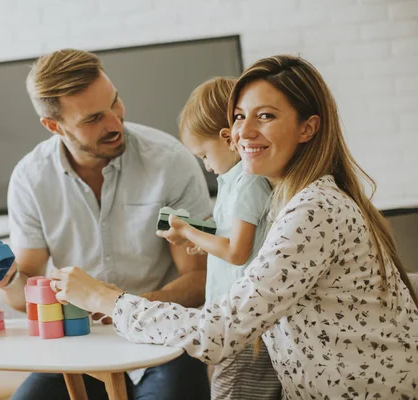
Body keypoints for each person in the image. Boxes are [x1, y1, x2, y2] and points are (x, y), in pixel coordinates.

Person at [49, 55, 418, 399]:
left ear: (308, 128)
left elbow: (218, 333)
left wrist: (104, 299)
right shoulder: (285, 202)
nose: (243, 132)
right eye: (240, 116)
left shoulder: (313, 210)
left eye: (267, 116)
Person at [0, 49, 212, 399]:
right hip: (78, 345)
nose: (115, 123)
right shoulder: (30, 178)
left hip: (162, 340)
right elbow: (26, 296)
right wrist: (6, 279)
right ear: (54, 126)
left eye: (115, 103)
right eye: (93, 118)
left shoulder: (170, 163)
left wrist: (124, 309)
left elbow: (199, 279)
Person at [156, 76, 281, 399]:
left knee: (232, 391)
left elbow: (237, 252)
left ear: (228, 140)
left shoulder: (248, 184)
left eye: (204, 156)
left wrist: (188, 230)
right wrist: (198, 236)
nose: (206, 166)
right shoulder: (232, 182)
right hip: (231, 321)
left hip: (244, 323)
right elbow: (231, 234)